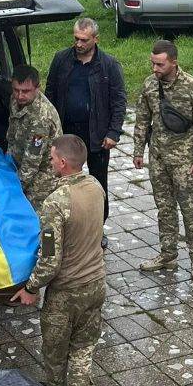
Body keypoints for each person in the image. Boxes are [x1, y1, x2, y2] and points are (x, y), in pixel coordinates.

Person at [11, 135, 105, 386]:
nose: (49, 162)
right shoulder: (96, 187)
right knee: (83, 346)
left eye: (52, 158)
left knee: (55, 347)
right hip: (96, 282)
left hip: (66, 291)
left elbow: (50, 259)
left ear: (62, 163)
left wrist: (31, 287)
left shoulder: (56, 202)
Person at [133, 39, 193, 281]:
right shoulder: (149, 85)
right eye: (153, 64)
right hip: (158, 158)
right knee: (164, 209)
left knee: (189, 210)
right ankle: (168, 254)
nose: (155, 69)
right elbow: (143, 119)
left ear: (174, 62)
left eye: (160, 64)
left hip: (184, 161)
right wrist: (138, 150)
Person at [45, 18, 126, 237]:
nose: (79, 44)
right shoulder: (61, 60)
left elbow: (119, 100)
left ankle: (98, 230)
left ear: (95, 39)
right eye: (76, 39)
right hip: (67, 134)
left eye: (84, 40)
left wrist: (113, 132)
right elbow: (50, 93)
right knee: (62, 180)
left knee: (98, 184)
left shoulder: (109, 65)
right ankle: (65, 225)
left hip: (97, 136)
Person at [6, 64, 63, 210]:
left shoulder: (42, 118)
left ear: (37, 88)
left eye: (25, 91)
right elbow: (12, 131)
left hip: (42, 175)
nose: (19, 96)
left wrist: (15, 188)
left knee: (32, 214)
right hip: (21, 164)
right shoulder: (16, 100)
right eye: (16, 90)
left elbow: (32, 161)